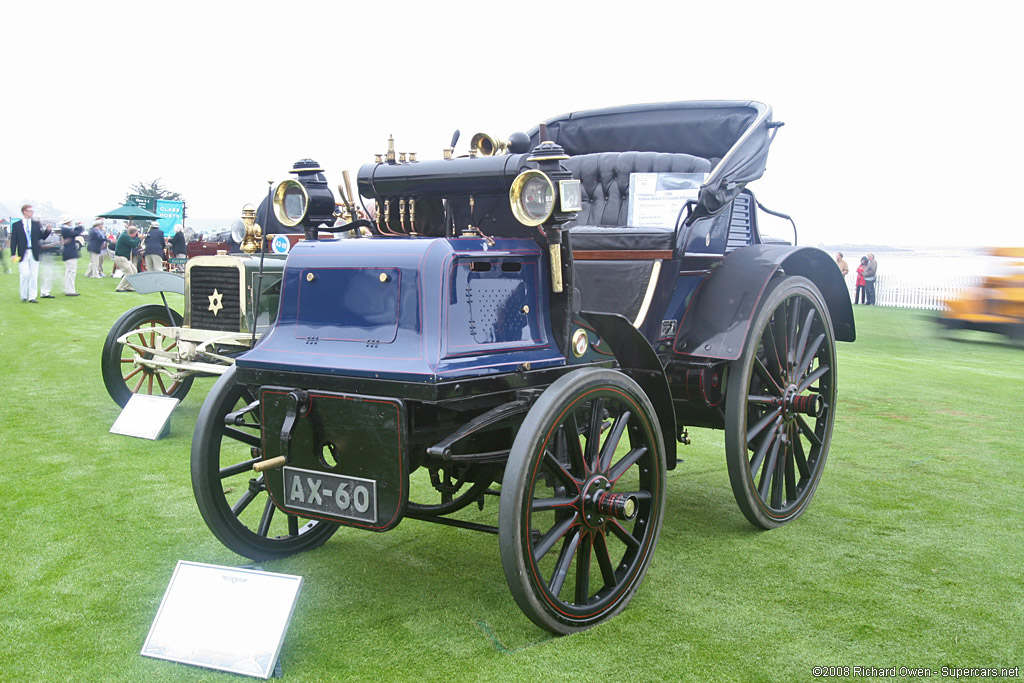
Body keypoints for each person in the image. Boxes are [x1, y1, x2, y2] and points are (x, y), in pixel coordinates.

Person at [10, 203, 47, 302]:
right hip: (23, 252)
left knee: (34, 275)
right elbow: (14, 241)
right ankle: (23, 295)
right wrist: (13, 254)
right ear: (24, 212)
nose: (32, 212)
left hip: (34, 252)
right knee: (24, 274)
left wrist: (48, 230)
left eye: (32, 211)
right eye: (30, 211)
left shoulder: (36, 224)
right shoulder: (16, 225)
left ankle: (32, 296)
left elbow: (41, 237)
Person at [38, 219, 64, 298]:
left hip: (46, 255)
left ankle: (45, 291)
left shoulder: (42, 233)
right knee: (47, 274)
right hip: (43, 255)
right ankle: (44, 292)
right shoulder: (39, 234)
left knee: (48, 274)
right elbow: (41, 246)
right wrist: (54, 244)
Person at [60, 218, 85, 296]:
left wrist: (78, 226)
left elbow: (75, 231)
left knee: (69, 271)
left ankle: (69, 289)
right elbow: (77, 232)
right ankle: (70, 290)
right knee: (71, 271)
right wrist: (81, 226)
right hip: (70, 252)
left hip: (69, 251)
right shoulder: (66, 230)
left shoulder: (66, 229)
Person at [114, 226, 142, 292]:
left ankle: (128, 287)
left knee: (134, 271)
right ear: (134, 233)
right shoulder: (125, 237)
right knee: (128, 273)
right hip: (121, 257)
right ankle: (120, 287)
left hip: (125, 258)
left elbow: (134, 244)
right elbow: (134, 244)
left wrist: (138, 239)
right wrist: (139, 238)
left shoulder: (125, 235)